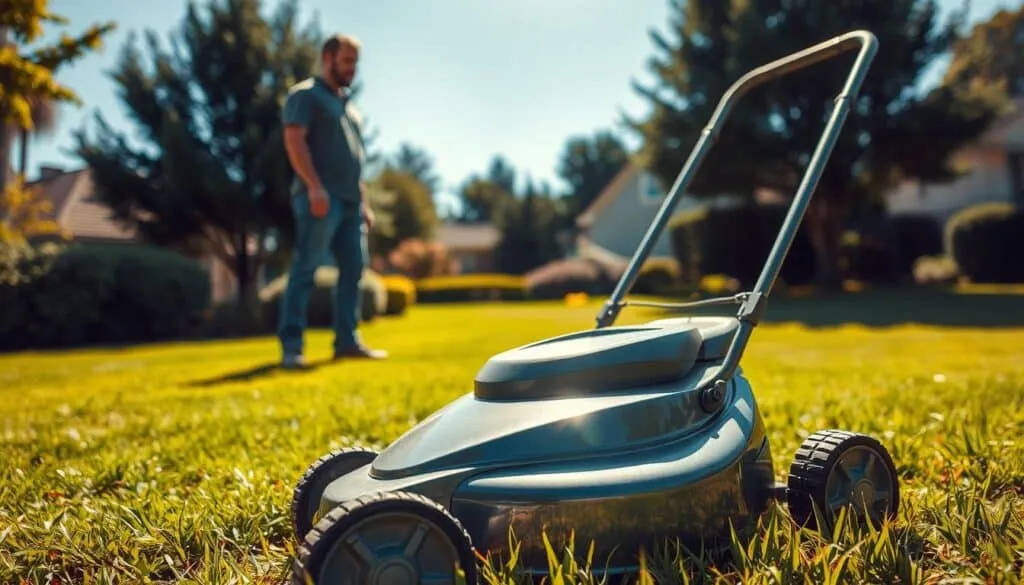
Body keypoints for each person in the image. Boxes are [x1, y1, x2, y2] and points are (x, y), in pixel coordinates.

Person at [277, 33, 387, 368]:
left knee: (353, 270)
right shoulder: (305, 96)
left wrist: (364, 203)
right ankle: (292, 347)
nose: (353, 69)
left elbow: (356, 161)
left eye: (355, 61)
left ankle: (347, 341)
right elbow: (294, 140)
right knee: (305, 270)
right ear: (327, 58)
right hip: (321, 199)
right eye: (347, 61)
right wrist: (314, 186)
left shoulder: (348, 107)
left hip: (351, 204)